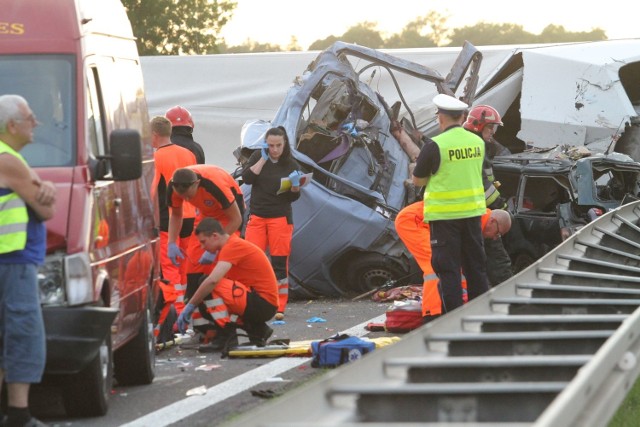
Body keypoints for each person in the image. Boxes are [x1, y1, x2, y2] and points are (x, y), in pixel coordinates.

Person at [0, 94, 56, 427]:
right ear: (12, 125)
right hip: (13, 261)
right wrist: (45, 188)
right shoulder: (9, 160)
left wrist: (43, 184)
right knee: (22, 334)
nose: (36, 122)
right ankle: (19, 415)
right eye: (30, 117)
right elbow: (46, 208)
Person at [412, 94, 489, 321]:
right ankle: (481, 318)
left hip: (444, 218)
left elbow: (418, 180)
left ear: (441, 118)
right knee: (476, 268)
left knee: (449, 271)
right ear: (463, 116)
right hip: (473, 214)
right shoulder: (478, 142)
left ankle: (453, 322)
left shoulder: (435, 145)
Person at [395, 202, 511, 322]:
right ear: (492, 221)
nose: (495, 238)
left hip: (421, 220)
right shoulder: (475, 219)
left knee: (447, 264)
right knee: (436, 266)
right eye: (498, 233)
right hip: (412, 221)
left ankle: (449, 307)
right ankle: (433, 314)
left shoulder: (477, 218)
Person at [175, 218, 278, 352]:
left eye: (203, 242)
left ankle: (226, 336)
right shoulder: (230, 246)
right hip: (260, 301)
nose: (202, 247)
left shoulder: (232, 247)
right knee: (207, 303)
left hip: (262, 303)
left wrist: (190, 305)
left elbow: (213, 281)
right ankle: (257, 329)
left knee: (208, 286)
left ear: (215, 236)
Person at [166, 164, 245, 335]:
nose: (186, 200)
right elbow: (177, 215)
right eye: (182, 197)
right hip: (206, 216)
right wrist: (171, 242)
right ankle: (202, 326)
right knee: (192, 269)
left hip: (229, 218)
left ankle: (226, 324)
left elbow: (236, 219)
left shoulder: (213, 185)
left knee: (216, 270)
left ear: (197, 184)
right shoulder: (174, 186)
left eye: (188, 196)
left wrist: (214, 249)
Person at [241, 126, 303, 320]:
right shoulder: (258, 158)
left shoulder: (291, 164)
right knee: (253, 259)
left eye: (278, 145)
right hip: (258, 217)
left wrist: (294, 186)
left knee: (278, 261)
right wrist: (262, 159)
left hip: (280, 217)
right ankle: (254, 301)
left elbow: (294, 197)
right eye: (271, 145)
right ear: (265, 145)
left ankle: (279, 306)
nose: (275, 149)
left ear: (285, 144)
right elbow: (247, 178)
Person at [150, 116, 197, 339]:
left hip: (168, 218)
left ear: (153, 135)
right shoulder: (187, 153)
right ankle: (187, 314)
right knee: (185, 268)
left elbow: (152, 192)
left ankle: (176, 319)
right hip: (190, 216)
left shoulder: (156, 157)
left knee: (169, 270)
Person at [463, 105, 514, 285]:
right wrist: (501, 206)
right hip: (480, 215)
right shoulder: (476, 147)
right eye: (490, 127)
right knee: (498, 261)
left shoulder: (472, 144)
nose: (493, 132)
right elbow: (484, 186)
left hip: (469, 215)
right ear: (478, 125)